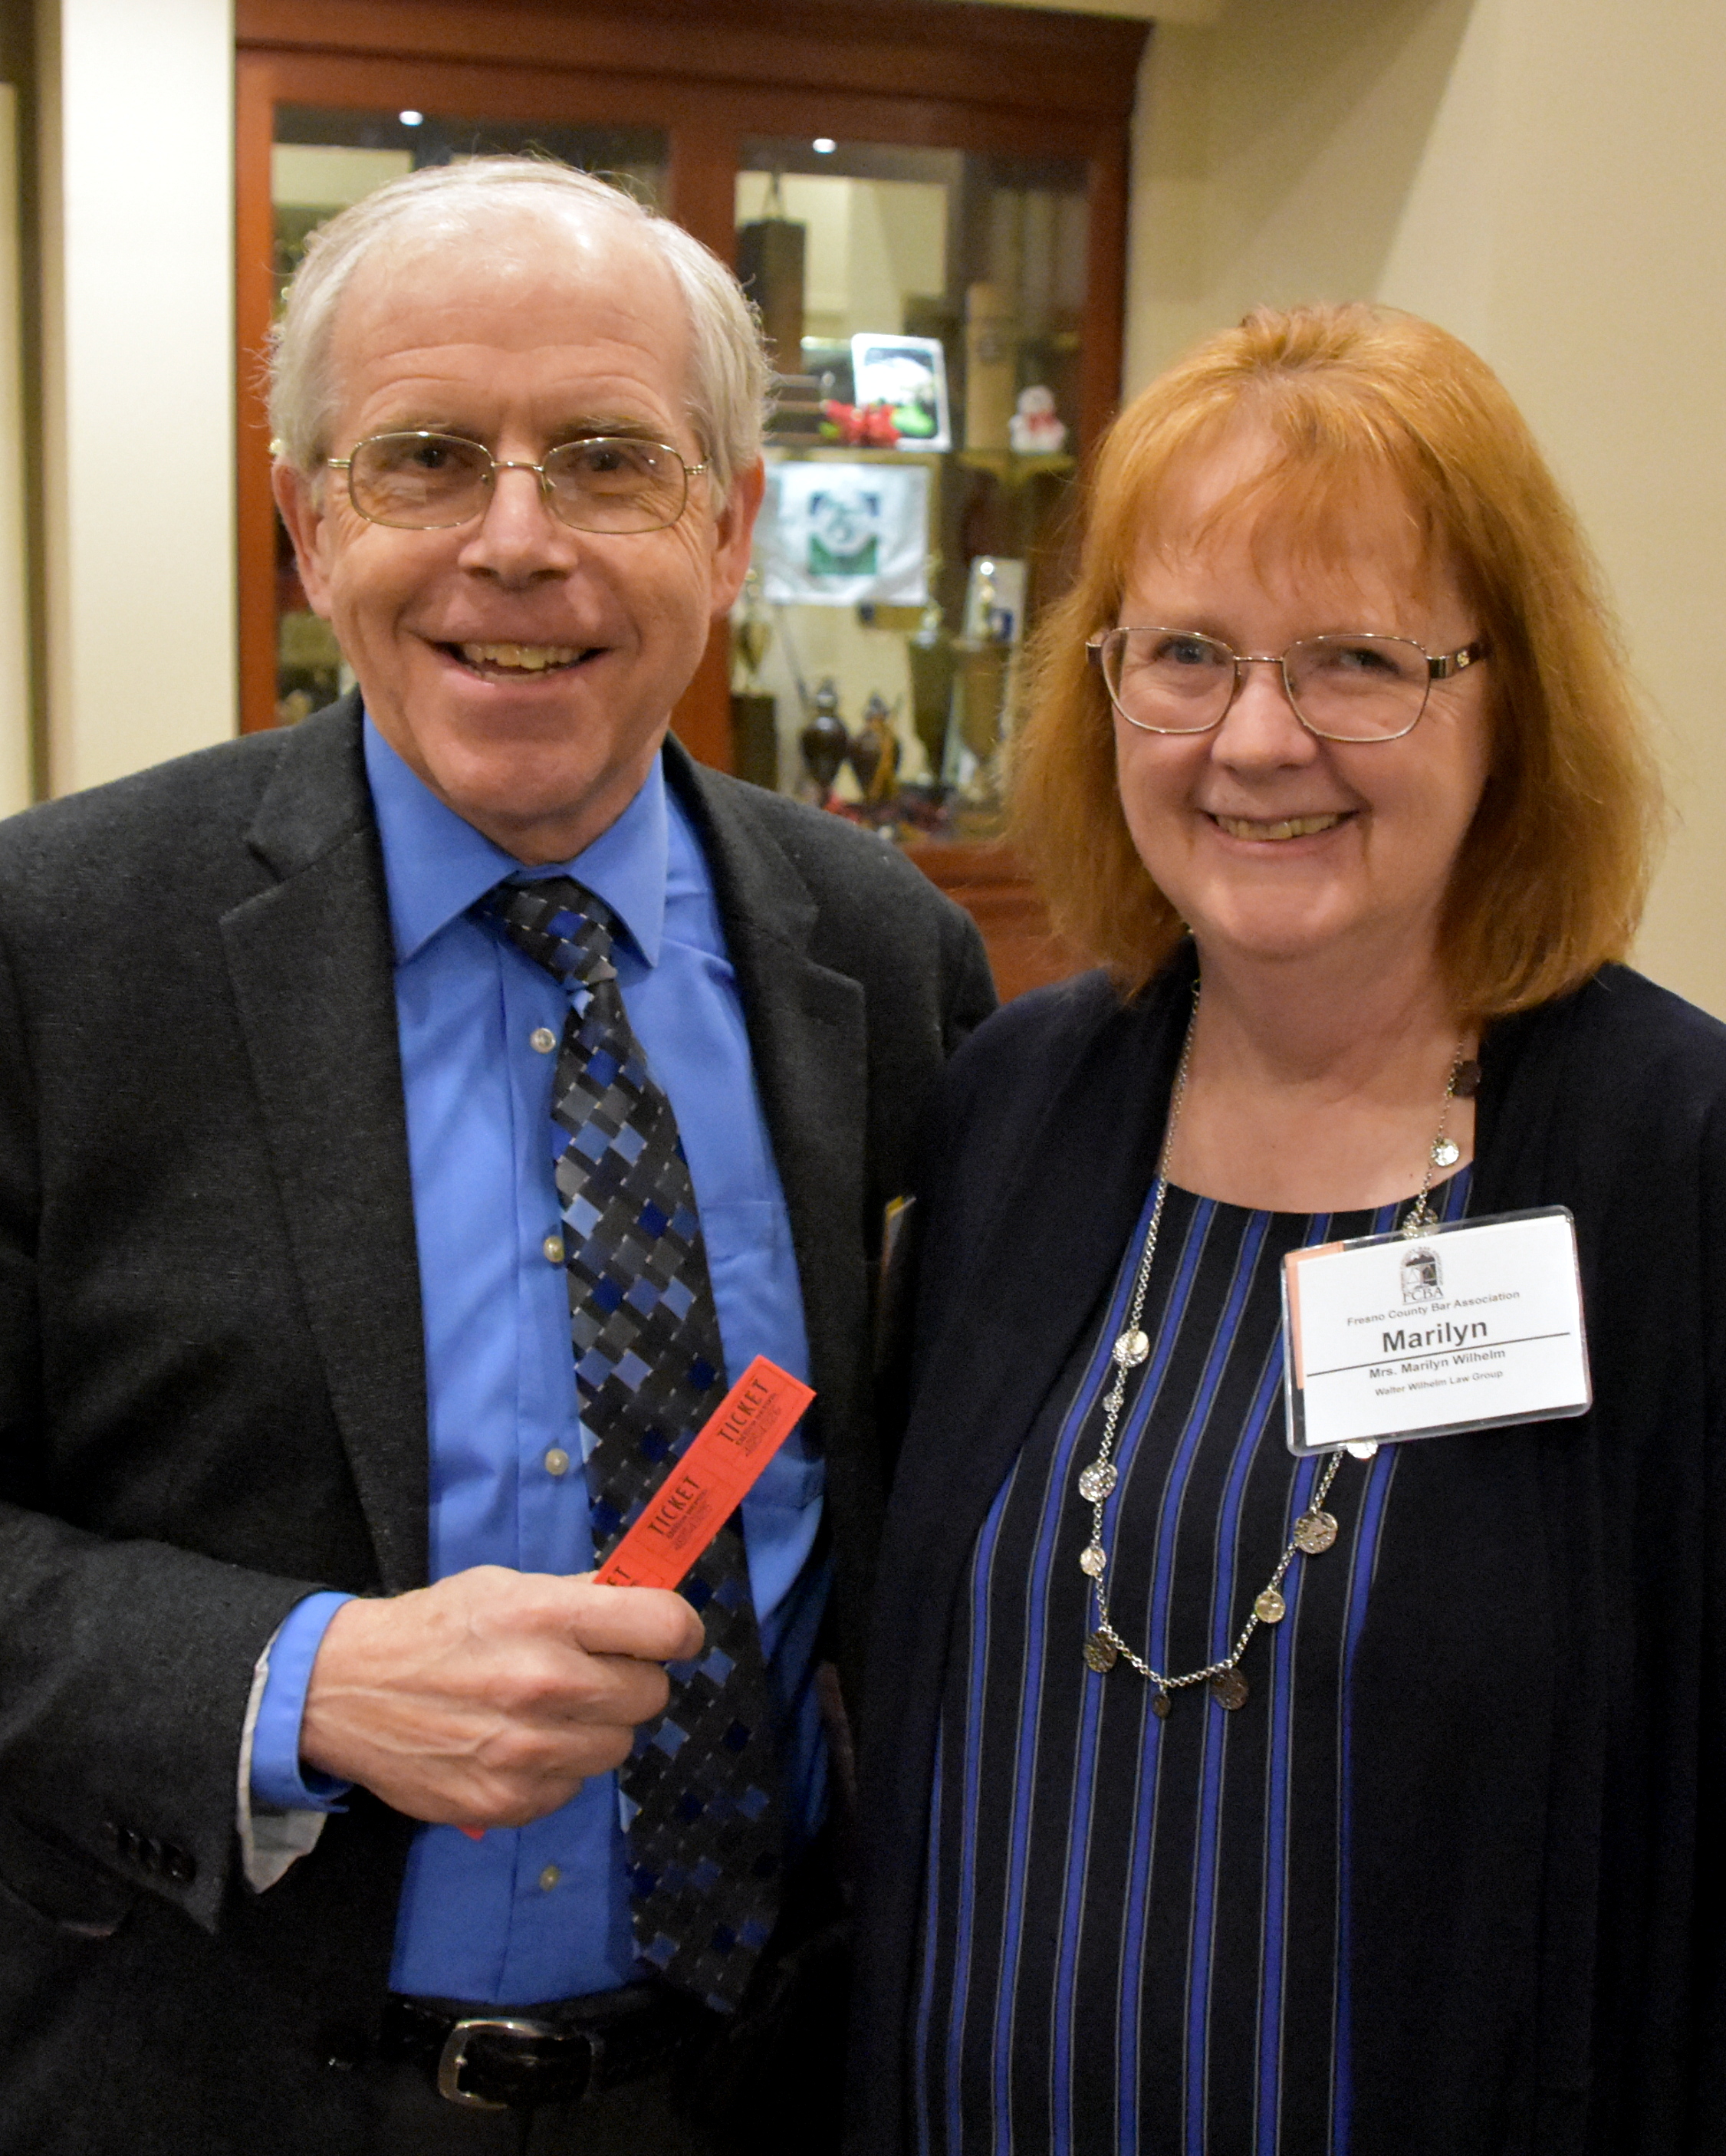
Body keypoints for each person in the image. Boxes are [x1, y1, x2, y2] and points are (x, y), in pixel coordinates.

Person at [0, 159, 993, 2156]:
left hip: (750, 2090)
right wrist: (290, 1679)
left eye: (608, 462)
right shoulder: (57, 947)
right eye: (427, 458)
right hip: (208, 2090)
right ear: (310, 526)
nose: (514, 544)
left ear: (730, 527)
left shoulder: (887, 957)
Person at [850, 301, 1726, 2154]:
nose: (1256, 739)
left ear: (1509, 700)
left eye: (1356, 661)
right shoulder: (1016, 1106)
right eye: (1185, 653)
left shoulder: (1675, 1159)